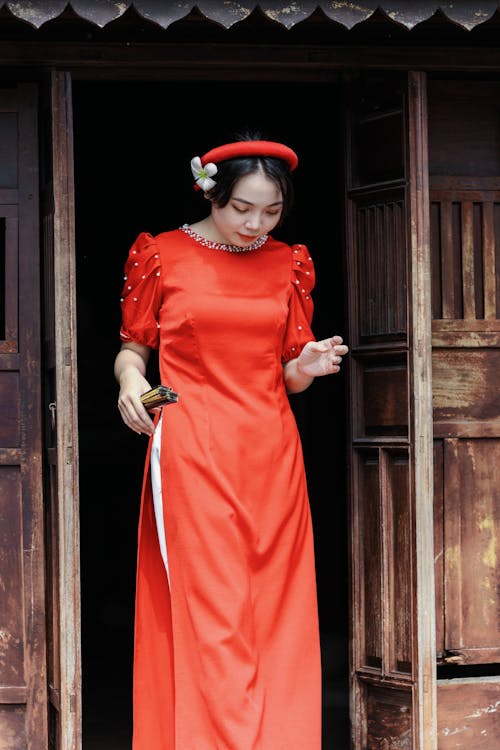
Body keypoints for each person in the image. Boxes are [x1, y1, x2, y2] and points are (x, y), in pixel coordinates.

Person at [114, 132, 349, 750]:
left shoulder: (287, 262)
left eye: (271, 211)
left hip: (271, 447)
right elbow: (134, 348)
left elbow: (287, 373)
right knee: (213, 607)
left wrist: (312, 363)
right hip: (192, 443)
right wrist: (135, 381)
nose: (256, 223)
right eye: (243, 207)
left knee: (274, 605)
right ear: (210, 193)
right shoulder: (160, 253)